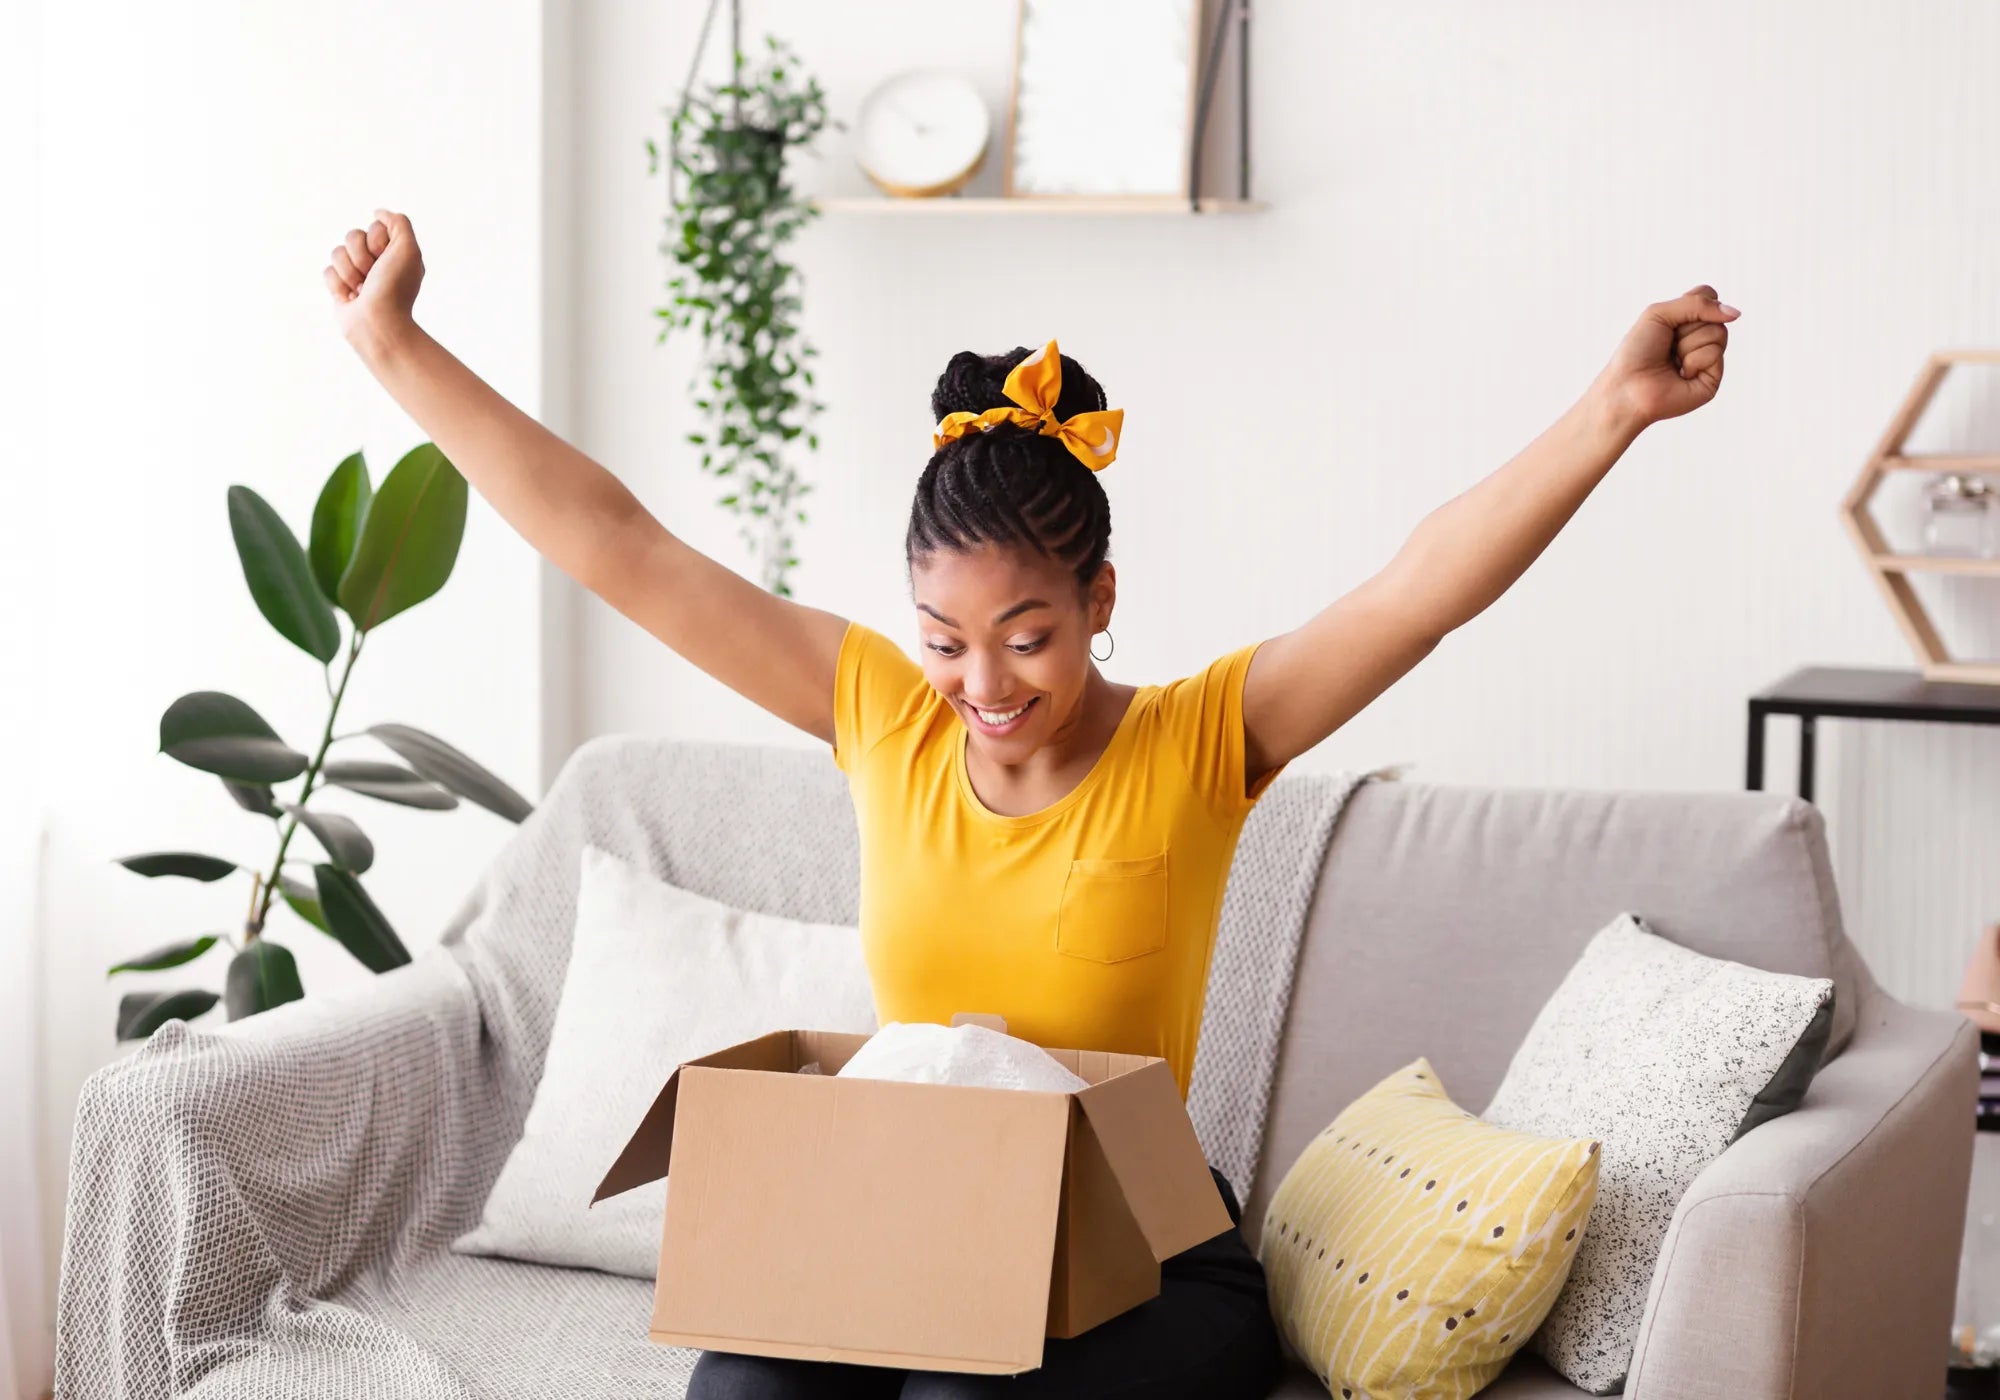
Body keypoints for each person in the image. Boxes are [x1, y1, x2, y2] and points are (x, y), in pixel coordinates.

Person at [326, 209, 1736, 1399]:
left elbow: (1418, 592)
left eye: (1027, 634)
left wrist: (1612, 409)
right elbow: (618, 542)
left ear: (1097, 601)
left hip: (1150, 1256)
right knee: (742, 1383)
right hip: (903, 1217)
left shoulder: (1202, 741)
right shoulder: (878, 709)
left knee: (966, 1384)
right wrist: (395, 346)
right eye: (944, 637)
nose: (983, 682)